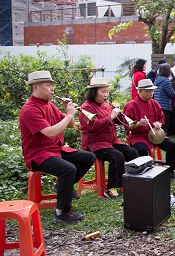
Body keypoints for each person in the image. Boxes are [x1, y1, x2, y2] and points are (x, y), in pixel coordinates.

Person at [19, 70, 95, 222]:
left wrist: (69, 110)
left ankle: (62, 186)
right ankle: (62, 212)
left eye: (52, 85)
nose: (52, 88)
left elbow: (71, 124)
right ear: (36, 87)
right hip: (38, 155)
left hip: (55, 150)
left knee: (88, 157)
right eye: (48, 85)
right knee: (69, 168)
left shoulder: (49, 105)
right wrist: (68, 115)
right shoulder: (29, 109)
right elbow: (51, 133)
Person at [79, 77, 138, 198]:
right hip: (95, 144)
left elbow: (119, 122)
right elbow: (93, 127)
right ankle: (112, 187)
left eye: (107, 91)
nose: (106, 94)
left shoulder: (106, 105)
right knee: (117, 156)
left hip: (111, 141)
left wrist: (118, 114)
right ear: (94, 92)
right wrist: (111, 116)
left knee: (132, 152)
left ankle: (130, 182)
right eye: (103, 91)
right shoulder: (86, 108)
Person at [123, 79, 175, 181]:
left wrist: (159, 123)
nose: (151, 93)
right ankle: (146, 174)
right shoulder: (131, 105)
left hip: (155, 135)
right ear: (139, 91)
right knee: (141, 150)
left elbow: (161, 117)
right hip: (139, 136)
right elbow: (127, 125)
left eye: (152, 91)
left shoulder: (154, 103)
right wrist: (138, 123)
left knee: (171, 145)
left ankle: (170, 171)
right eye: (148, 91)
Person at [153, 63, 175, 132]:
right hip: (165, 106)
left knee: (159, 124)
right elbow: (172, 94)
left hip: (157, 105)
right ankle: (161, 139)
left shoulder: (156, 80)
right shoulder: (166, 81)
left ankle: (157, 139)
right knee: (164, 126)